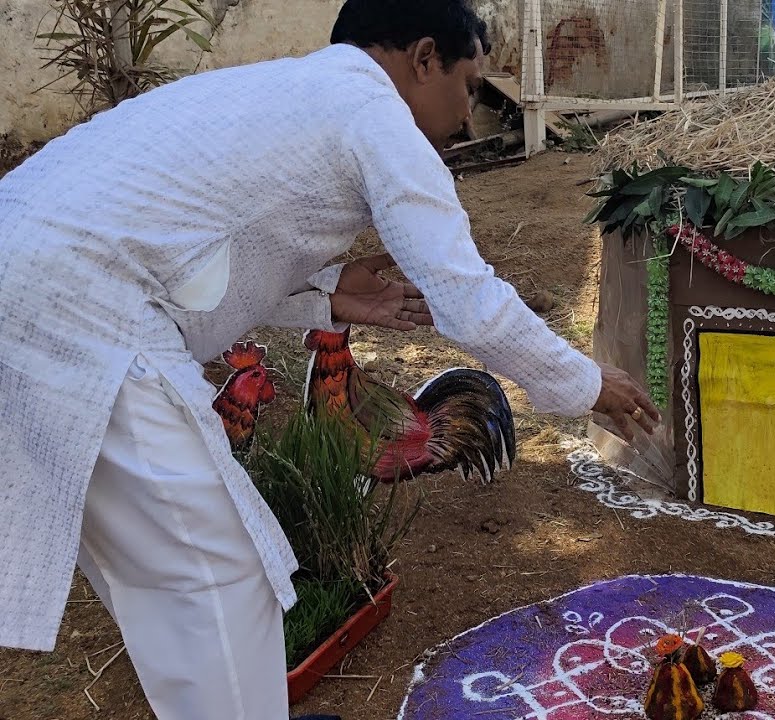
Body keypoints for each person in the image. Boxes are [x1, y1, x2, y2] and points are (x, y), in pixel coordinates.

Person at [0, 0, 659, 718]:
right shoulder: (371, 114)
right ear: (424, 58)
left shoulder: (287, 92)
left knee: (170, 576)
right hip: (80, 310)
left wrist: (329, 289)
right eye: (468, 86)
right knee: (218, 573)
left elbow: (198, 239)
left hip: (39, 283)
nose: (470, 117)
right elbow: (467, 296)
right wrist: (586, 381)